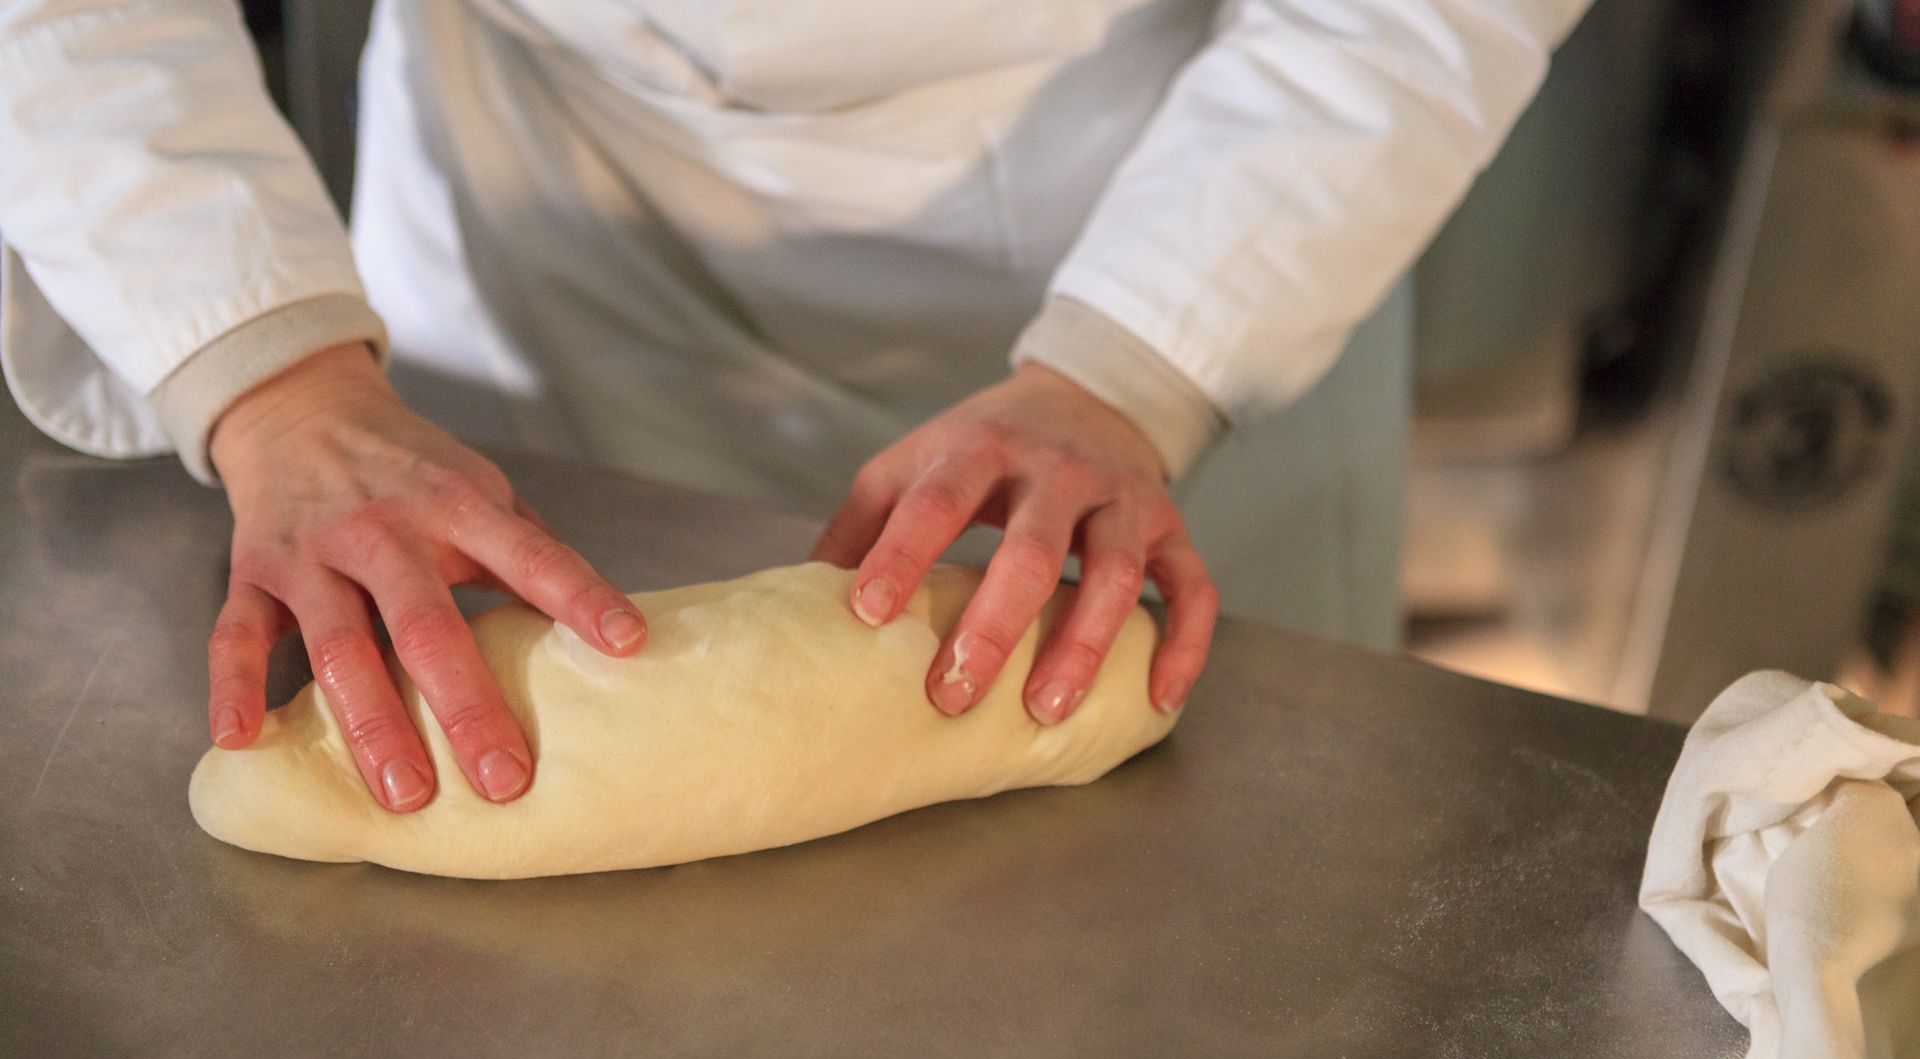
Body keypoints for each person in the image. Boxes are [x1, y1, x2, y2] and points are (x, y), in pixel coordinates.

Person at [0, 0, 1588, 813]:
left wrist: (1139, 365)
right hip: (534, 207)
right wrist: (265, 369)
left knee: (1198, 846)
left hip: (1170, 207)